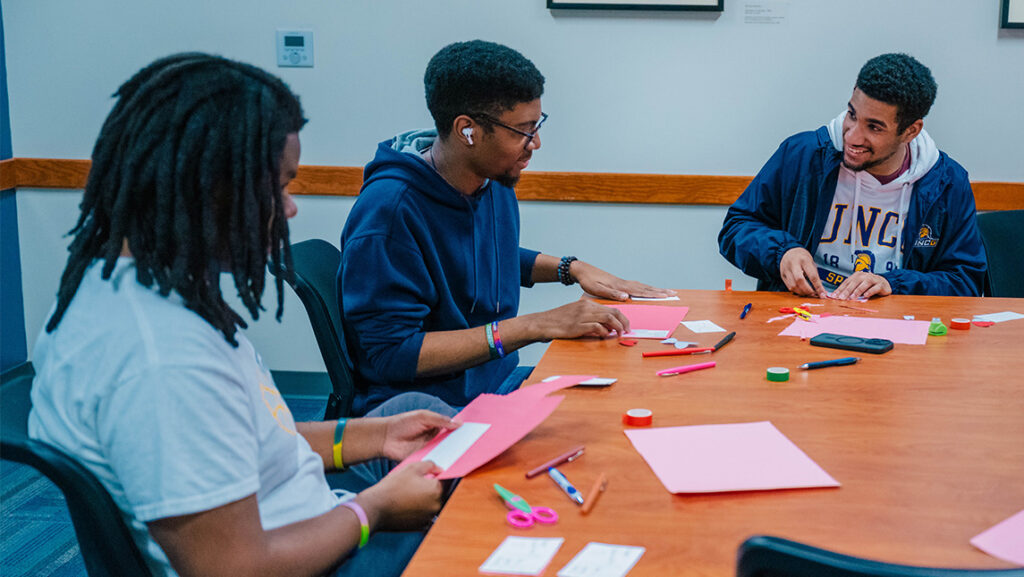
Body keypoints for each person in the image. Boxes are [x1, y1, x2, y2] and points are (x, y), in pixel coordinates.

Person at [28, 53, 459, 577]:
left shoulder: (119, 288)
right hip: (295, 559)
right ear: (208, 185)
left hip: (291, 514)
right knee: (478, 532)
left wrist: (376, 435)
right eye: (280, 186)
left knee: (414, 410)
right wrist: (374, 511)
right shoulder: (163, 360)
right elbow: (233, 568)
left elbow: (248, 441)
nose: (291, 208)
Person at [339, 40, 673, 414]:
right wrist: (536, 325)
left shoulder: (489, 179)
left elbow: (478, 255)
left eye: (537, 125)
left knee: (621, 401)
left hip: (494, 384)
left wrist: (570, 268)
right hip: (425, 410)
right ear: (468, 131)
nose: (536, 143)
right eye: (523, 130)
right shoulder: (389, 214)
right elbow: (392, 354)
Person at [718, 53, 986, 299]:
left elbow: (966, 281)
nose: (853, 136)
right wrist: (782, 252)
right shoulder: (803, 156)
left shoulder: (947, 183)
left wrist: (895, 284)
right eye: (852, 115)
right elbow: (736, 228)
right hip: (802, 313)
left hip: (893, 322)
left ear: (910, 131)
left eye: (874, 127)